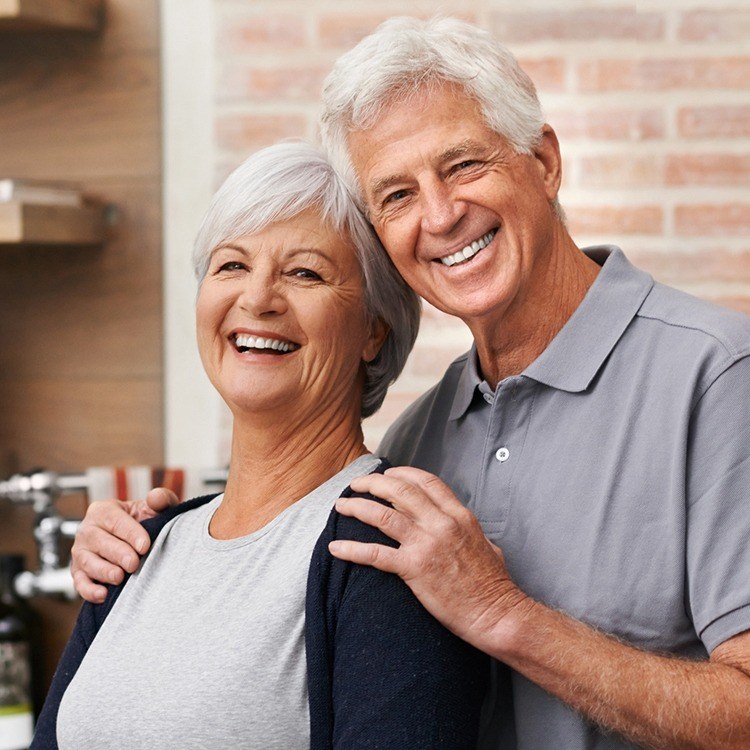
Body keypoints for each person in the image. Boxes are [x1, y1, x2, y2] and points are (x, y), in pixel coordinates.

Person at [71, 17, 750, 750]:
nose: (440, 214)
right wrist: (155, 551)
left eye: (462, 165)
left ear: (544, 161)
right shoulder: (418, 441)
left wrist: (503, 613)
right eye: (395, 194)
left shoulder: (715, 375)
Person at [31, 140, 489, 750]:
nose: (257, 299)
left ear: (373, 332)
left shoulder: (387, 550)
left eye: (304, 272)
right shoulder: (139, 544)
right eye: (231, 266)